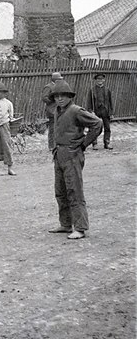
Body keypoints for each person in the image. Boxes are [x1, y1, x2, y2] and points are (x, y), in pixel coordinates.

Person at [48, 80, 102, 240]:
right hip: (59, 154)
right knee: (60, 191)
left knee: (74, 191)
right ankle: (65, 224)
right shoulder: (57, 111)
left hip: (72, 155)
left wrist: (83, 144)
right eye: (57, 96)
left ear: (70, 96)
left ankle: (80, 228)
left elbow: (97, 124)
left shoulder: (76, 110)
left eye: (63, 96)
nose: (60, 99)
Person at [86, 73, 114, 150]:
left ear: (104, 80)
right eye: (98, 79)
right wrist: (90, 111)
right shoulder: (92, 90)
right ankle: (94, 144)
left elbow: (110, 102)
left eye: (101, 79)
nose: (100, 81)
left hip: (105, 111)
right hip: (96, 111)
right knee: (94, 127)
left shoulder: (107, 89)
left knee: (107, 128)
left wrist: (111, 113)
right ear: (96, 80)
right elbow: (89, 102)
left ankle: (107, 143)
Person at [42, 72, 63, 150]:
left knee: (59, 128)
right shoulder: (48, 87)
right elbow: (44, 98)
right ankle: (51, 145)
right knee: (52, 129)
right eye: (59, 79)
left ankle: (58, 144)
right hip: (52, 110)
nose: (60, 81)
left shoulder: (59, 86)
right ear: (55, 79)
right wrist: (53, 100)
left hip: (59, 110)